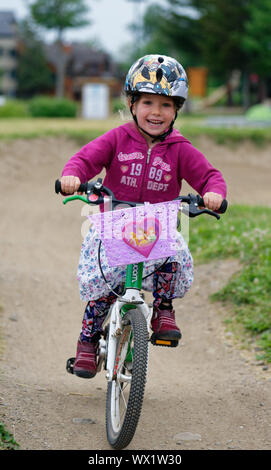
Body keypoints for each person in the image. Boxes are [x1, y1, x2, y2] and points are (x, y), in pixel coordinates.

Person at [60, 54, 227, 379]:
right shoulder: (117, 139)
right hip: (114, 225)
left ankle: (163, 310)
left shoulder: (180, 148)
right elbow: (83, 160)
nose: (156, 112)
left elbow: (209, 176)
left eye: (166, 105)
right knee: (104, 288)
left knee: (175, 252)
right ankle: (87, 342)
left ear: (177, 109)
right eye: (148, 102)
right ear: (132, 103)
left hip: (156, 228)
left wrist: (214, 194)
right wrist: (72, 176)